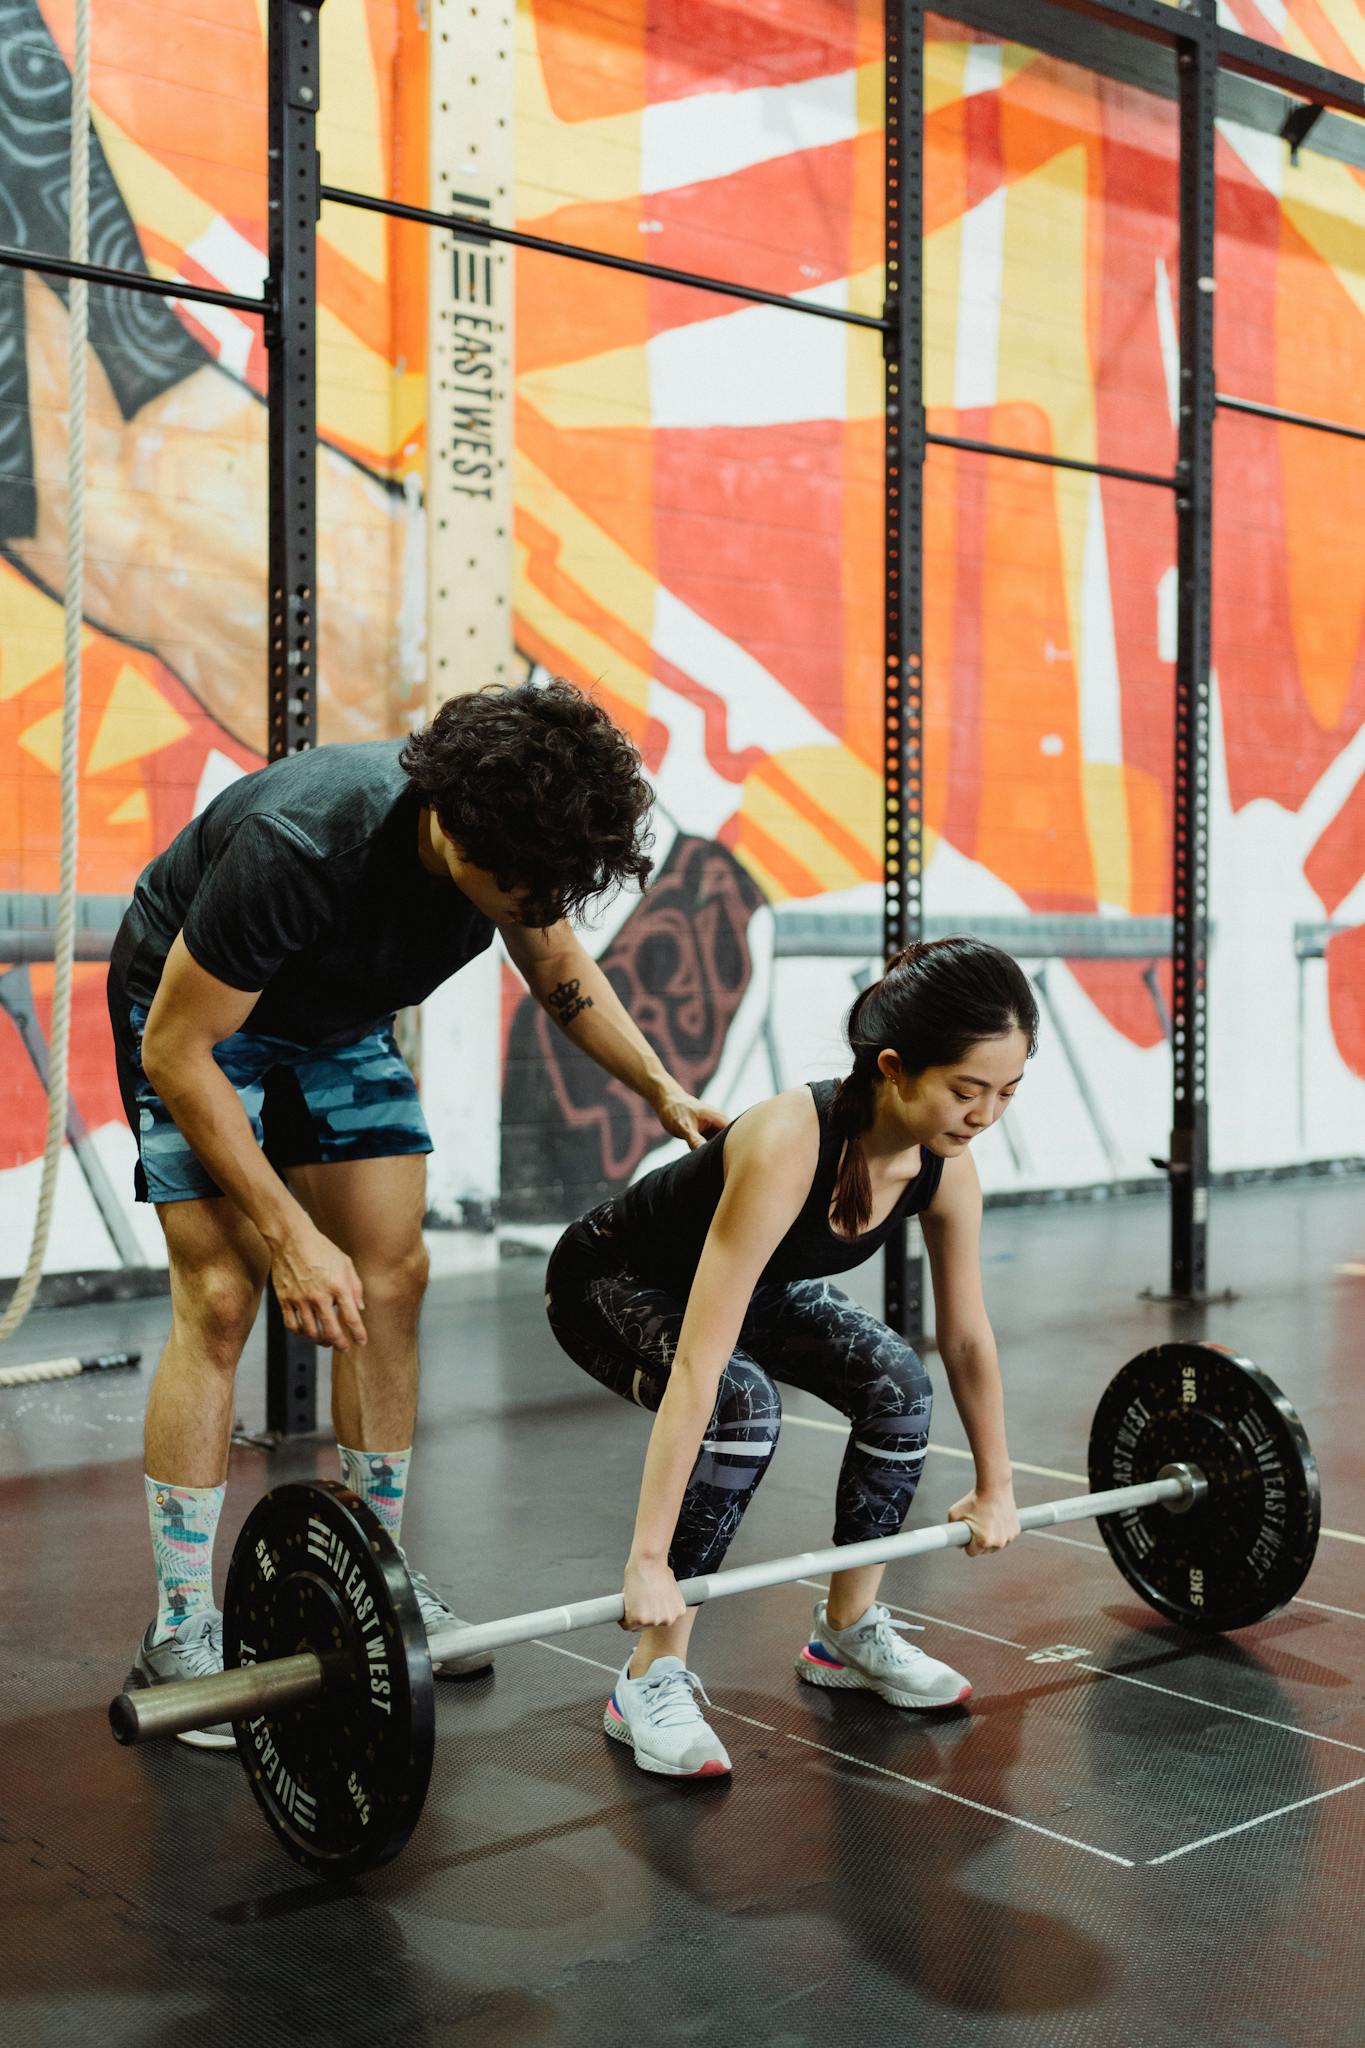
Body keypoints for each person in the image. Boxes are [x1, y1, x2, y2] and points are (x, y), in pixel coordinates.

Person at [109, 679, 725, 1746]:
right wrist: (290, 1234)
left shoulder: (513, 853)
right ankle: (177, 1627)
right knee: (221, 1292)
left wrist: (660, 1086)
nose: (538, 907)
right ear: (456, 830)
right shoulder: (303, 842)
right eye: (525, 888)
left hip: (338, 1025)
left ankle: (379, 1575)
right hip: (197, 1019)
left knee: (395, 1277)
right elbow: (178, 1047)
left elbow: (560, 965)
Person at [545, 937, 1037, 1779]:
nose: (984, 1114)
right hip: (612, 1283)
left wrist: (997, 1485)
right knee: (743, 1404)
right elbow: (701, 1365)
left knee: (898, 1387)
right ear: (893, 1067)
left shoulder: (943, 1167)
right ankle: (649, 1675)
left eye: (1006, 1092)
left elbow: (963, 1336)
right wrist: (648, 1561)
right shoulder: (787, 1143)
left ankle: (846, 1633)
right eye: (966, 1089)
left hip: (753, 1284)